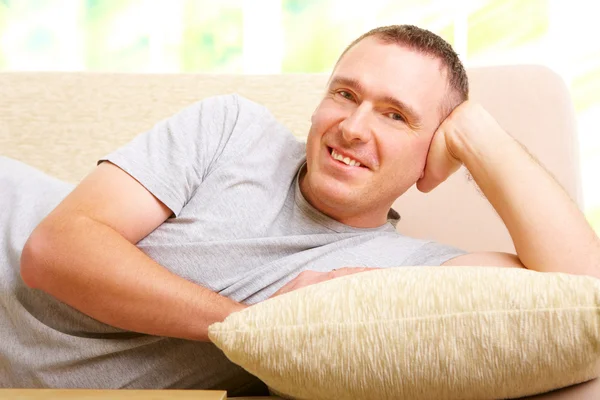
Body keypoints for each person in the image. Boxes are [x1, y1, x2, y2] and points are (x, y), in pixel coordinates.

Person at [1, 24, 599, 395]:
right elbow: (57, 249)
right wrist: (248, 318)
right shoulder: (232, 130)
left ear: (430, 155)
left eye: (396, 115)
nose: (354, 127)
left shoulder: (405, 277)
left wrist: (479, 136)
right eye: (345, 94)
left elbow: (586, 300)